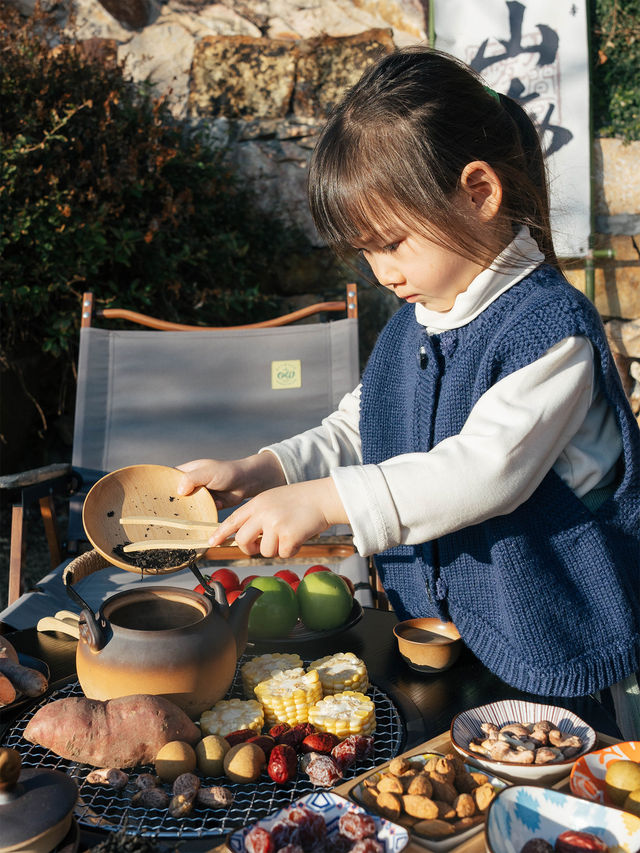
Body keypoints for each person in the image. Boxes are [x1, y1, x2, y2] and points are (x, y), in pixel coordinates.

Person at [177, 47, 640, 728]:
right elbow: (360, 426)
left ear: (479, 193)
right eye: (365, 250)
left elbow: (484, 472)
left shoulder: (550, 331)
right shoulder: (411, 327)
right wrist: (262, 469)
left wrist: (322, 500)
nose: (380, 270)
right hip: (446, 643)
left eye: (392, 242)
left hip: (551, 647)